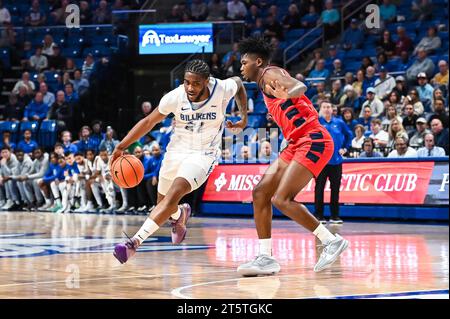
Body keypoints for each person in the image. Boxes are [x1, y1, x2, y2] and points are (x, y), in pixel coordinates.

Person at [112, 59, 248, 264]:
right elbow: (149, 121)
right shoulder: (175, 96)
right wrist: (121, 146)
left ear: (207, 81)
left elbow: (238, 82)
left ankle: (134, 243)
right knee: (164, 205)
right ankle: (180, 213)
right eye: (187, 82)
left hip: (204, 154)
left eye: (196, 83)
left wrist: (244, 116)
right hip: (176, 151)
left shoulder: (220, 88)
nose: (190, 88)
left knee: (174, 194)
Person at [235, 36, 348, 276]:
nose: (241, 67)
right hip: (296, 142)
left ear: (258, 62)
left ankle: (330, 240)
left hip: (313, 139)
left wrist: (289, 93)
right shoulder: (263, 83)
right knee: (260, 193)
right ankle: (266, 257)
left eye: (244, 63)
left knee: (281, 199)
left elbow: (299, 86)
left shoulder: (269, 74)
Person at [315, 101, 352, 224]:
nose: (327, 109)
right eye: (324, 107)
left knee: (335, 189)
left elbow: (349, 135)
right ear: (320, 109)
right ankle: (319, 216)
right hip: (321, 163)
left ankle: (334, 216)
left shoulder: (339, 123)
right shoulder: (316, 123)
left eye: (329, 107)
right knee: (319, 189)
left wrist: (345, 148)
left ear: (332, 109)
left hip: (336, 162)